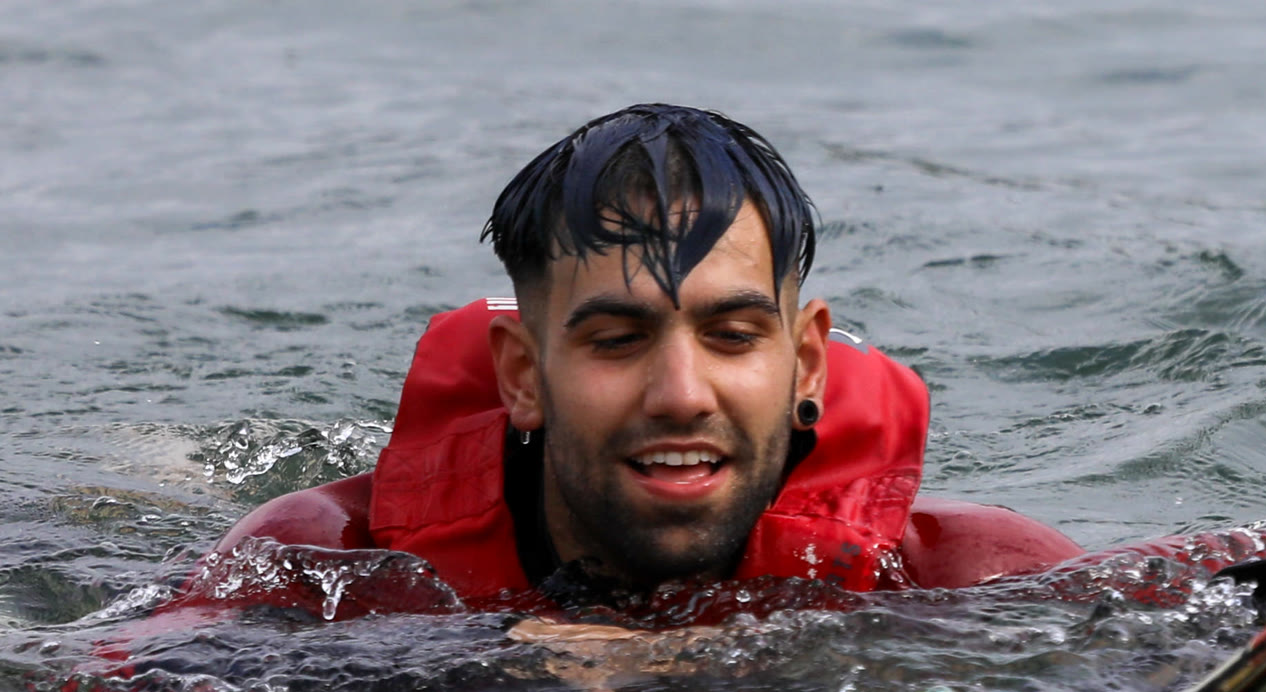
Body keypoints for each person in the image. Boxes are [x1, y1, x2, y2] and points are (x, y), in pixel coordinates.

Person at [179, 104, 1086, 618]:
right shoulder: (313, 567)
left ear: (807, 363)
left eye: (733, 335)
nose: (681, 395)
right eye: (616, 340)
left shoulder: (975, 577)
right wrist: (492, 671)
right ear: (523, 374)